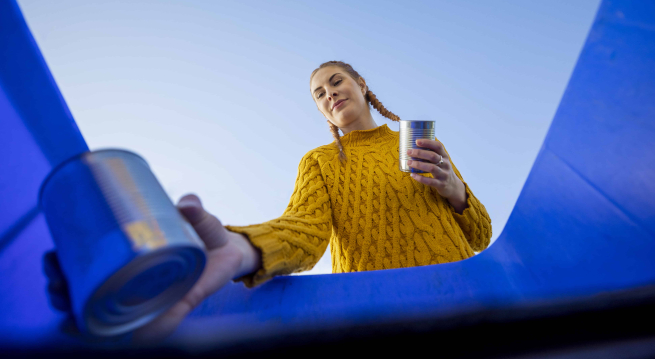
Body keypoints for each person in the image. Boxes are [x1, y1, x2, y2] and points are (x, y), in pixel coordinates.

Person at [44, 60, 492, 341]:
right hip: (377, 317)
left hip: (465, 303)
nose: (330, 93)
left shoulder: (420, 144)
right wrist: (243, 247)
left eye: (336, 82)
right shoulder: (319, 163)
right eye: (320, 93)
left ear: (360, 84)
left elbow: (479, 235)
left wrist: (455, 192)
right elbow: (304, 231)